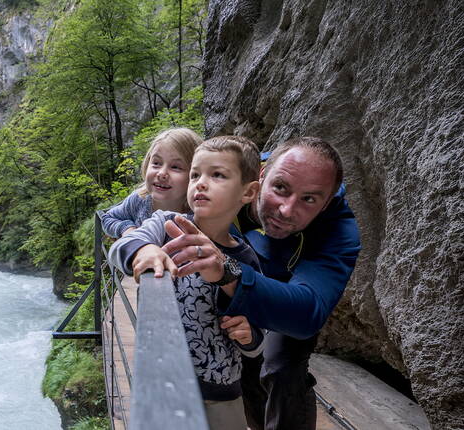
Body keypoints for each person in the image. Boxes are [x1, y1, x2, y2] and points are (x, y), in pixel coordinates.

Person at [159, 137, 361, 430]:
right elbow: (162, 191)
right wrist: (135, 238)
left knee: (282, 366)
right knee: (247, 366)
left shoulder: (338, 231)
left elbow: (307, 313)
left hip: (281, 299)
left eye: (309, 199)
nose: (286, 210)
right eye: (280, 189)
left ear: (326, 203)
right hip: (231, 290)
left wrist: (228, 272)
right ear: (260, 178)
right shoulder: (230, 170)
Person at [109, 136, 266, 429]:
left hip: (220, 392)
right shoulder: (167, 224)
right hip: (162, 380)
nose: (201, 183)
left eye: (217, 174)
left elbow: (258, 337)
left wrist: (250, 335)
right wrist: (144, 249)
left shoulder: (246, 258)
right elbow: (120, 247)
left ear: (248, 192)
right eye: (195, 174)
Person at [100, 127, 200, 238]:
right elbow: (108, 218)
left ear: (195, 174)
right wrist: (127, 229)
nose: (162, 173)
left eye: (175, 167)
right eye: (156, 163)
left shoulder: (200, 214)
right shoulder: (139, 201)